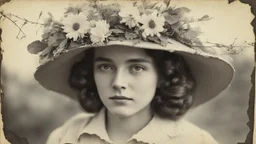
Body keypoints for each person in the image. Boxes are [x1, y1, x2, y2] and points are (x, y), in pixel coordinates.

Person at [27, 1, 234, 144]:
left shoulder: (194, 140)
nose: (118, 82)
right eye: (105, 67)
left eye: (137, 68)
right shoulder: (66, 137)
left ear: (163, 75)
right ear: (91, 72)